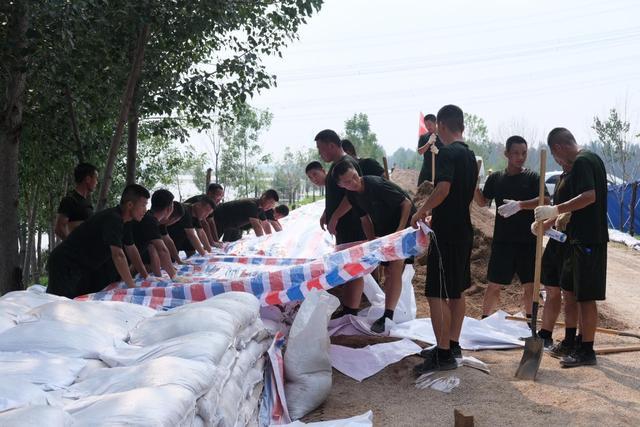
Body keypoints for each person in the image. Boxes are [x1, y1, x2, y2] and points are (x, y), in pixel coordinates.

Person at [410, 105, 478, 373]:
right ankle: (452, 343)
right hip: (463, 229)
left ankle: (443, 353)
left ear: (440, 125)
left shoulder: (448, 153)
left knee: (436, 293)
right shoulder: (470, 156)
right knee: (456, 291)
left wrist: (422, 211)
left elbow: (443, 188)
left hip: (447, 232)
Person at [534, 127, 608, 367]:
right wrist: (549, 222)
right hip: (574, 239)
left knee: (585, 296)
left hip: (588, 240)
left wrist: (556, 209)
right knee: (571, 293)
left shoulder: (584, 161)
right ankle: (571, 341)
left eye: (556, 157)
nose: (558, 161)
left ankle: (587, 350)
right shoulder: (581, 163)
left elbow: (589, 196)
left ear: (558, 148)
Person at [333, 160, 416, 333]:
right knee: (387, 270)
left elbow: (406, 203)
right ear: (341, 185)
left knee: (395, 266)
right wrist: (373, 243)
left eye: (354, 177)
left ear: (357, 172)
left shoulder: (375, 184)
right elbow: (365, 219)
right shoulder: (352, 195)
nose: (354, 183)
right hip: (384, 228)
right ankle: (389, 308)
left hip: (405, 224)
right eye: (348, 182)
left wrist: (398, 233)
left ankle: (388, 315)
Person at [472, 136, 550, 319]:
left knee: (530, 285)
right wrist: (473, 187)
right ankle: (485, 319)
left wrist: (520, 205)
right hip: (503, 241)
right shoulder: (496, 178)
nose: (520, 157)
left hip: (528, 240)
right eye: (515, 153)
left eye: (523, 153)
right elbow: (483, 202)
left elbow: (545, 200)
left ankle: (530, 322)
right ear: (506, 153)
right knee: (494, 284)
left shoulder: (532, 177)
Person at [47, 184, 150, 299]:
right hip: (65, 264)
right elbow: (118, 255)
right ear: (130, 205)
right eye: (143, 205)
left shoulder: (125, 222)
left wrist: (146, 276)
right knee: (59, 305)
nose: (145, 210)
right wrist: (131, 286)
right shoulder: (113, 218)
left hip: (82, 268)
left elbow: (131, 248)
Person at [316, 129, 366, 317]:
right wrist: (326, 213)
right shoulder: (337, 165)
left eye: (322, 149)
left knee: (353, 265)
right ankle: (348, 306)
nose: (321, 154)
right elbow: (336, 193)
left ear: (332, 145)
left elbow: (350, 195)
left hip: (352, 222)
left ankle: (351, 309)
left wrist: (335, 216)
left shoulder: (348, 164)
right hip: (344, 224)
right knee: (346, 264)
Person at [538, 165, 574, 351]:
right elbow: (556, 210)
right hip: (556, 242)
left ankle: (574, 338)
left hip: (572, 243)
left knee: (571, 294)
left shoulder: (579, 178)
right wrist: (544, 225)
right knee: (551, 289)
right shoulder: (561, 177)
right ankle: (545, 333)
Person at [127, 189, 178, 279]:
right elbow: (162, 250)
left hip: (129, 262)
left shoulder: (151, 219)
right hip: (120, 263)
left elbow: (153, 250)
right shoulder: (150, 220)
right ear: (169, 208)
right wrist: (174, 276)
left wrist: (158, 276)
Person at [213, 190, 279, 242]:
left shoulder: (260, 209)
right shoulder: (252, 205)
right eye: (270, 202)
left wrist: (270, 240)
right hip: (218, 217)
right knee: (211, 243)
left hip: (232, 226)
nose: (271, 206)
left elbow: (265, 224)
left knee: (230, 245)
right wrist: (261, 243)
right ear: (264, 197)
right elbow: (257, 226)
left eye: (273, 204)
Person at [55, 163, 98, 240]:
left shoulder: (87, 203)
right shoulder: (70, 200)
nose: (96, 182)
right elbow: (59, 228)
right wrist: (73, 247)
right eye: (96, 178)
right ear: (88, 179)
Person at [417, 114, 444, 186]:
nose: (428, 127)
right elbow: (420, 151)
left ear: (436, 123)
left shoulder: (444, 137)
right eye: (426, 125)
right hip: (426, 170)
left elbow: (450, 153)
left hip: (440, 171)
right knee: (421, 192)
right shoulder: (423, 137)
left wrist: (439, 152)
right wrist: (428, 143)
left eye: (429, 124)